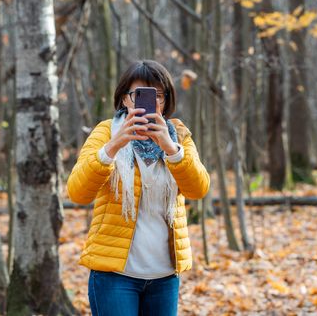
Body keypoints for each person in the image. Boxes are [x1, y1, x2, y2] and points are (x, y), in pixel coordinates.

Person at [67, 60, 210, 316]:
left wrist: (171, 149)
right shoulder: (105, 133)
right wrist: (113, 145)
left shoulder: (178, 135)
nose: (150, 102)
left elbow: (198, 189)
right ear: (125, 100)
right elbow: (78, 192)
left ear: (166, 101)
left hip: (165, 277)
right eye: (140, 95)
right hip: (115, 277)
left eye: (158, 95)